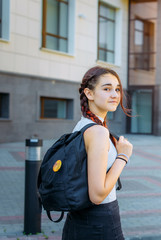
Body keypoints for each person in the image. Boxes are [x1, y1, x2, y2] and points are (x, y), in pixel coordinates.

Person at [62, 66, 133, 240]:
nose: (115, 95)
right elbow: (97, 195)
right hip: (99, 223)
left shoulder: (83, 125)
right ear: (89, 93)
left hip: (79, 220)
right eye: (107, 89)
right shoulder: (97, 132)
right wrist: (123, 156)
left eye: (117, 89)